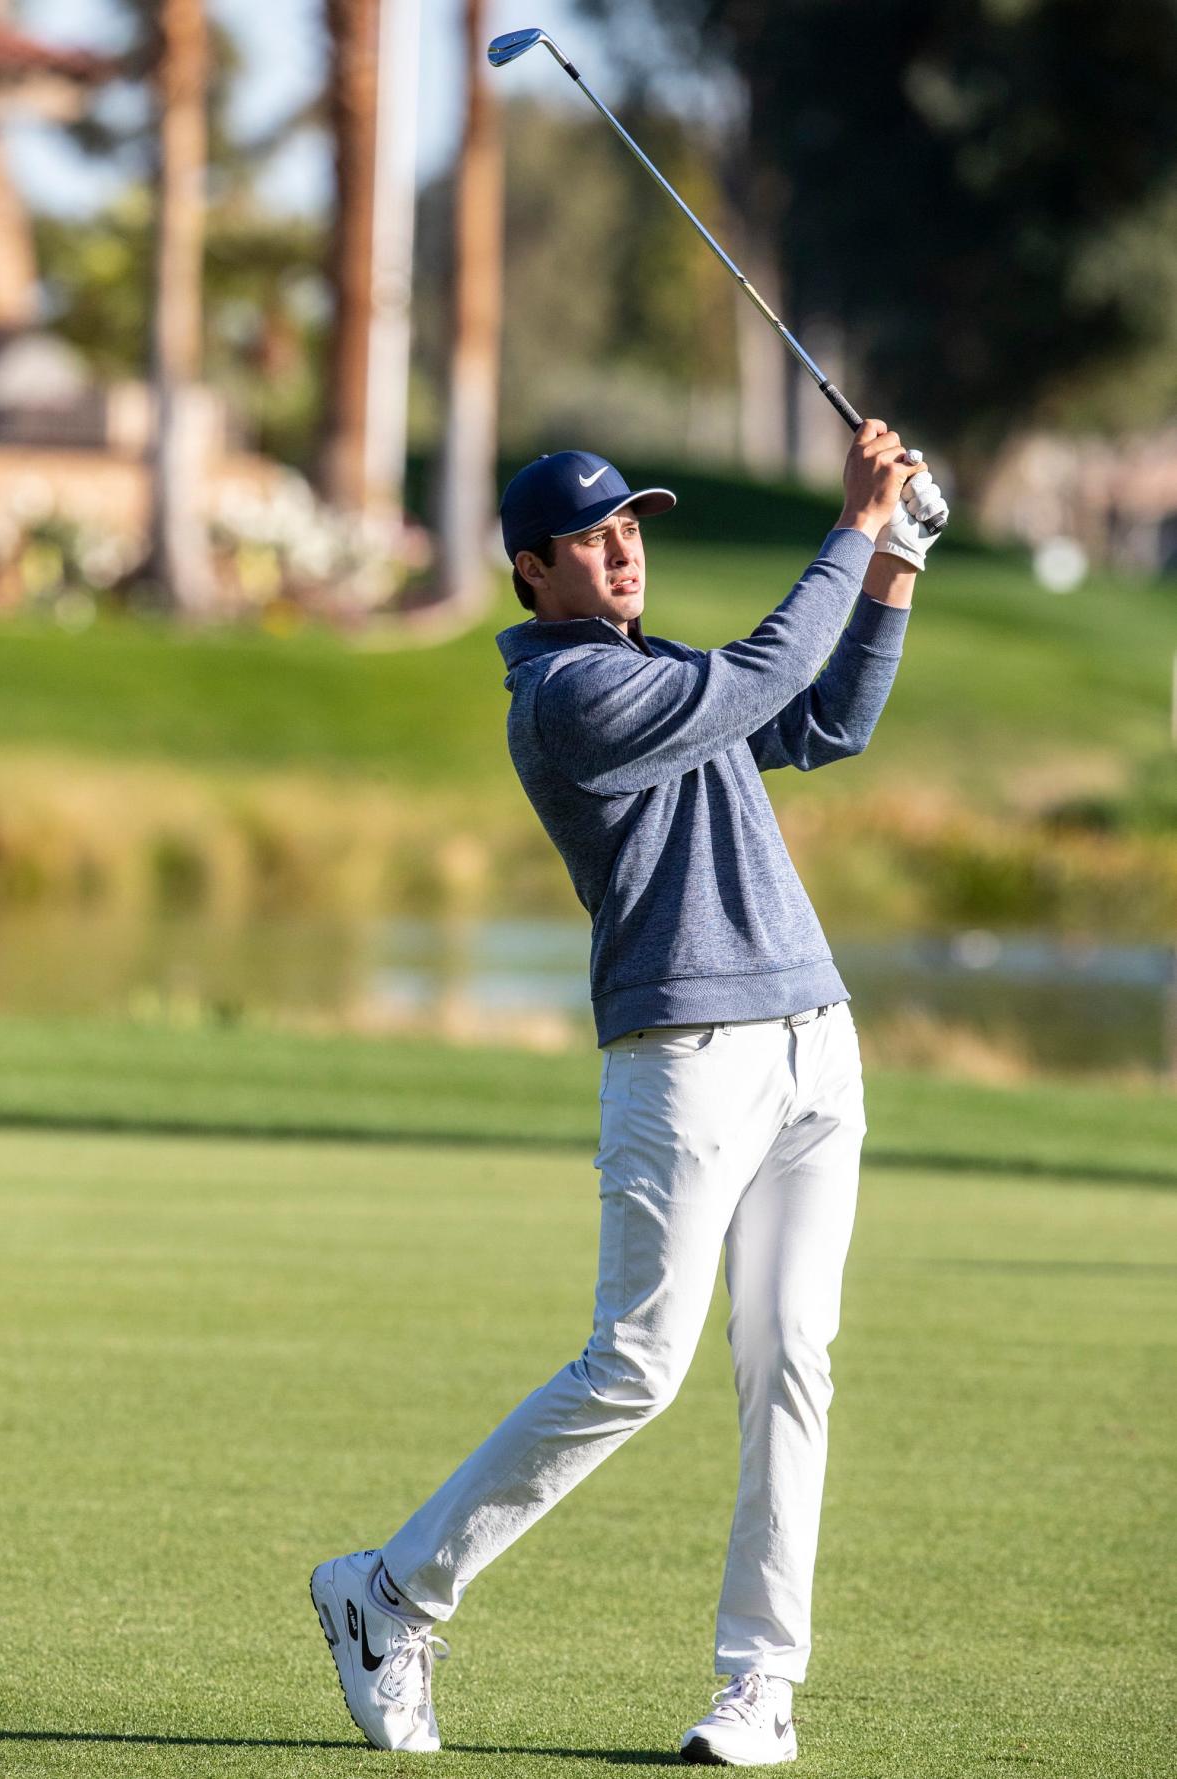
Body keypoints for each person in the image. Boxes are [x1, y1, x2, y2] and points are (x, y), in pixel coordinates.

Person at [311, 421, 949, 1765]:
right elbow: (773, 666)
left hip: (811, 1043)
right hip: (686, 1056)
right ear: (531, 571)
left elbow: (825, 719)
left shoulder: (657, 669)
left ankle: (758, 1687)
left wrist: (893, 563)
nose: (624, 550)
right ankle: (391, 1591)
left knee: (792, 1362)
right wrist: (849, 527)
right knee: (639, 1365)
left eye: (634, 529)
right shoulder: (566, 700)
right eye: (595, 539)